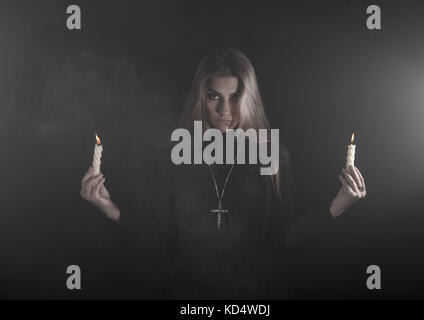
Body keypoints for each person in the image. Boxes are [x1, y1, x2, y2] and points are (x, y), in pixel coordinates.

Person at [80, 48, 366, 298]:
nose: (224, 110)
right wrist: (108, 207)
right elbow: (163, 236)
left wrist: (336, 207)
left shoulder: (273, 156)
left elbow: (283, 238)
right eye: (214, 96)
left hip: (257, 296)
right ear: (200, 98)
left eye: (235, 97)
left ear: (248, 97)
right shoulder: (174, 155)